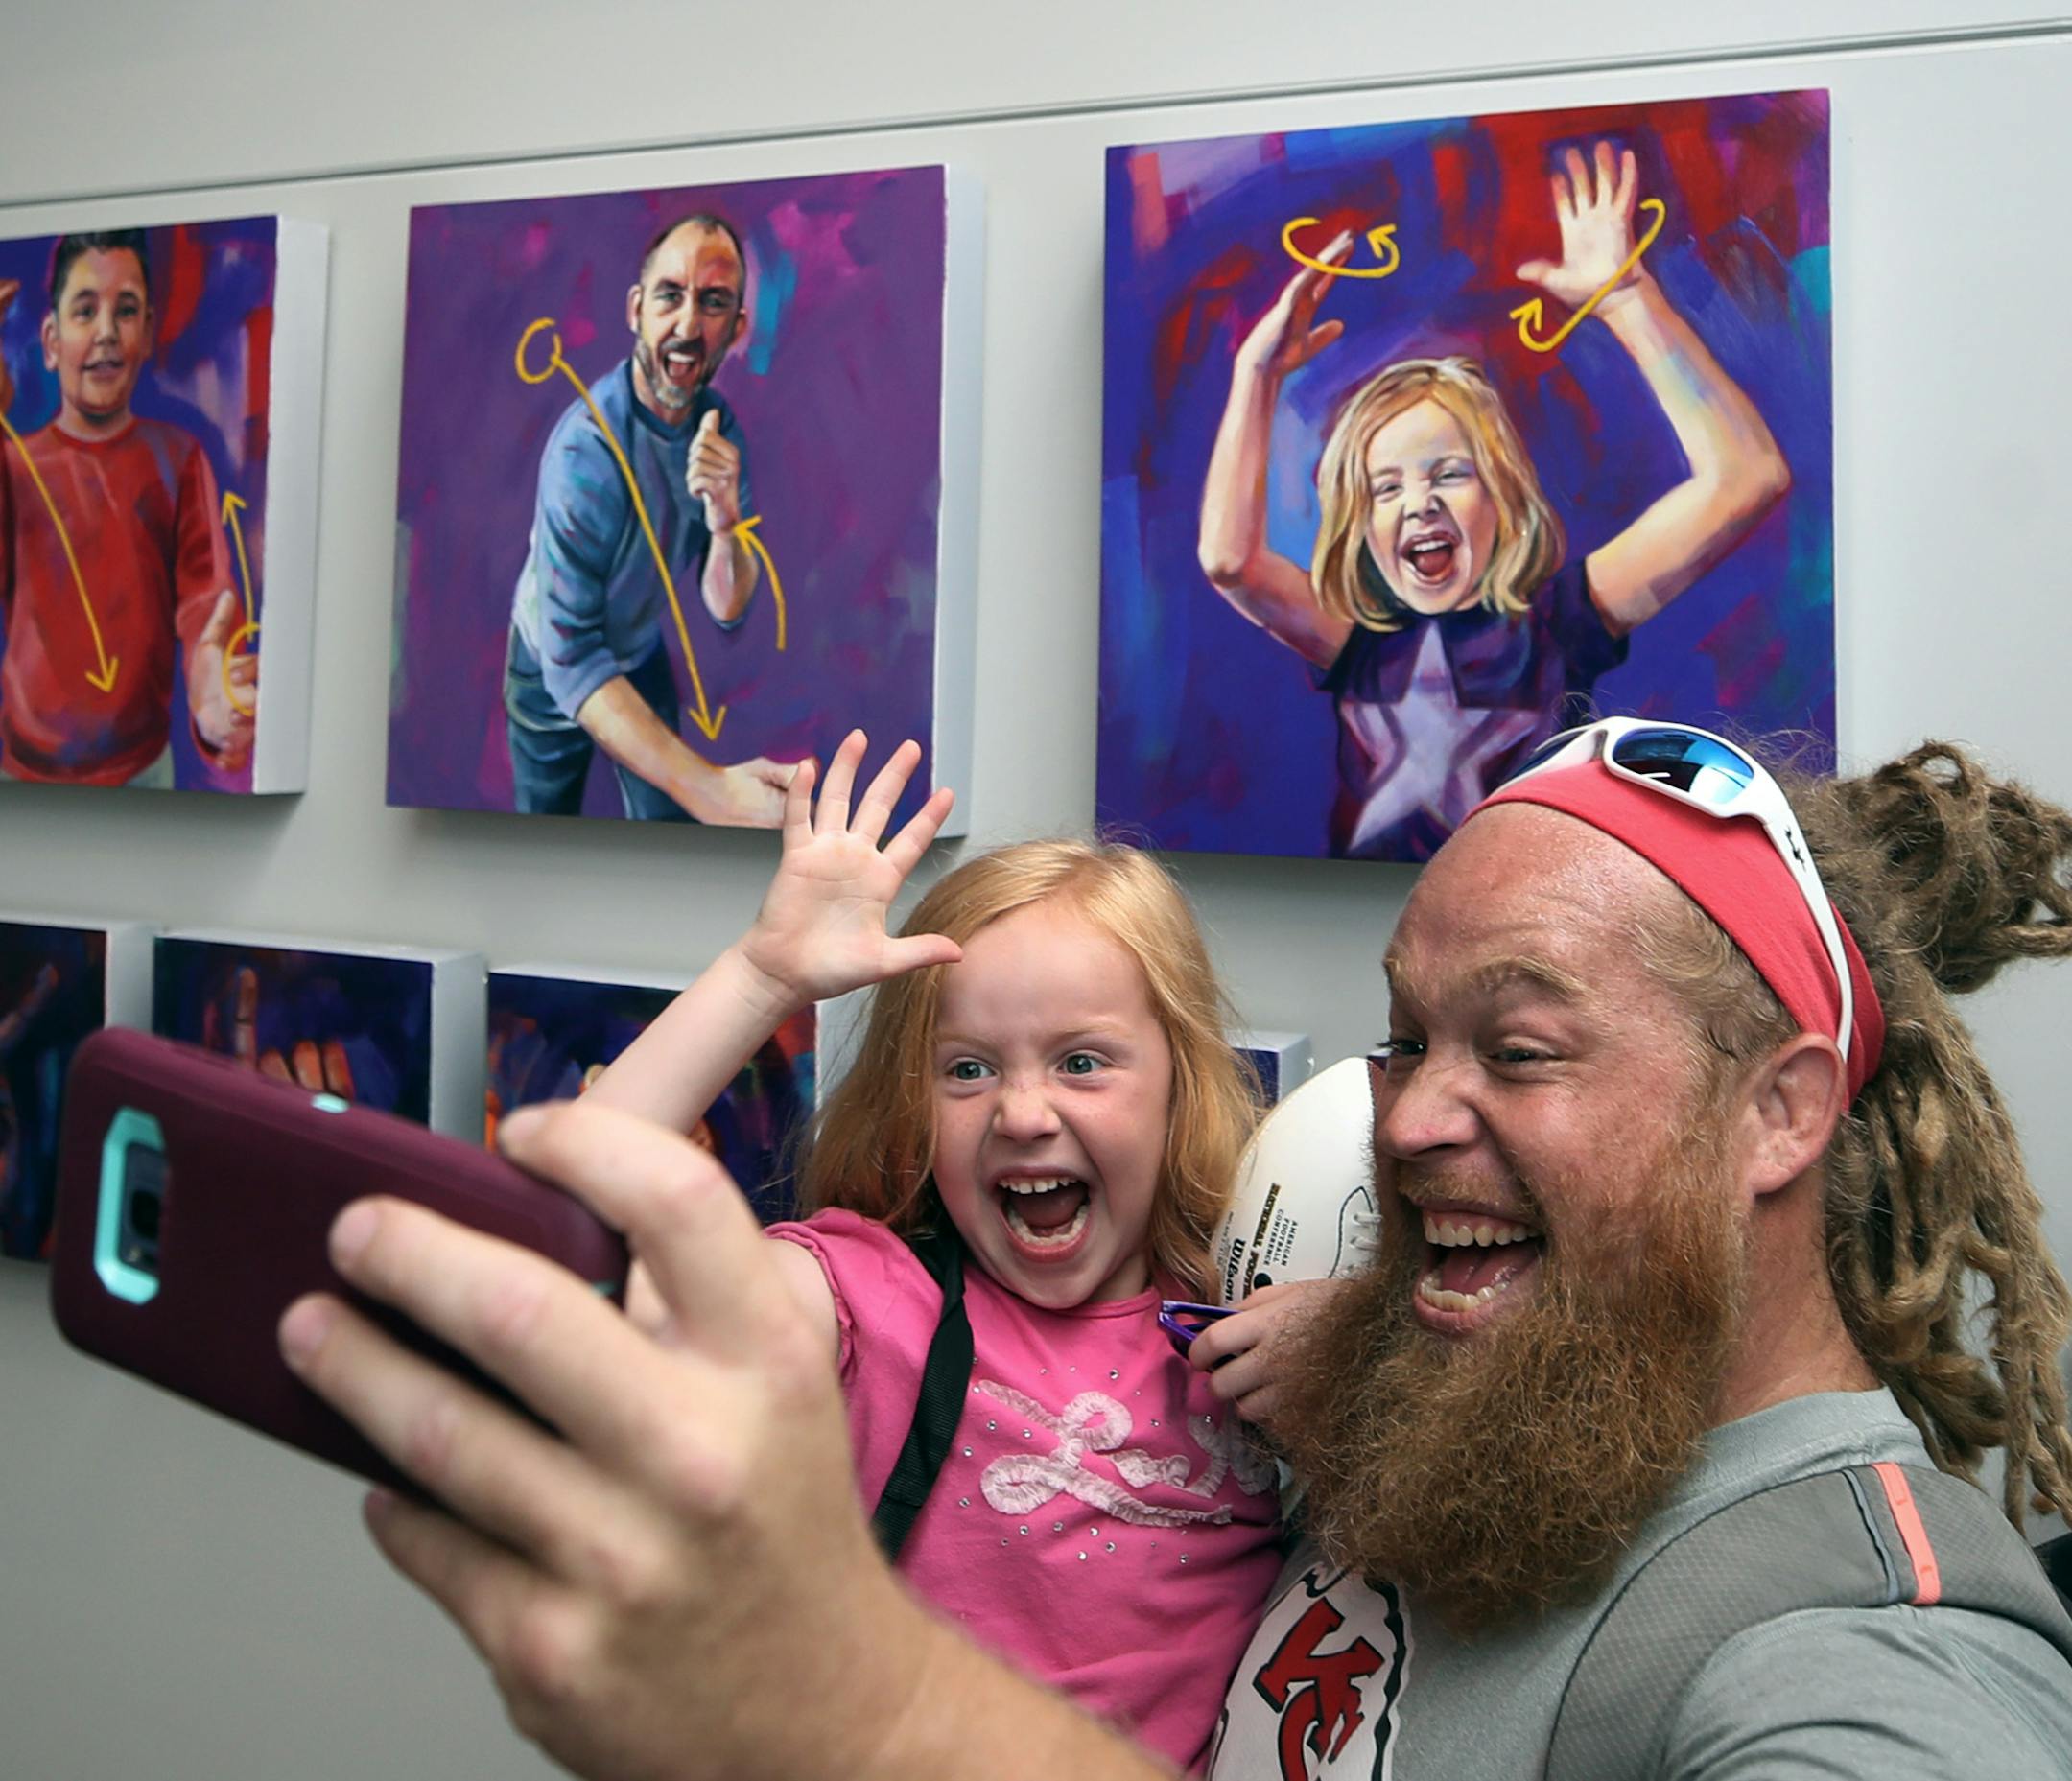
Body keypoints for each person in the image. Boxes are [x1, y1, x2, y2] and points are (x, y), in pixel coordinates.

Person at [279, 728, 2072, 1780]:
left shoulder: (1864, 1642)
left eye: (1518, 1049)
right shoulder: (1463, 1380)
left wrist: (862, 1700)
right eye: (1405, 1041)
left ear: (1782, 1111)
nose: (1417, 1120)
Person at [574, 730, 1279, 1768]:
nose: (1022, 1112)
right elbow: (586, 1213)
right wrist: (764, 975)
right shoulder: (873, 1303)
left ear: (1181, 1082)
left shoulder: (1255, 1310)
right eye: (968, 1071)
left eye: (1082, 1062)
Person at [1198, 143, 1792, 859]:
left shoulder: (1561, 622)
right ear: (1360, 523)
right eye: (1386, 487)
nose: (1419, 503)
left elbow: (1746, 478)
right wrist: (1253, 373)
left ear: (1503, 498)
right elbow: (1229, 561)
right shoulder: (1358, 642)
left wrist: (1631, 301)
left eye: (1449, 473)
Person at [503, 211, 790, 825]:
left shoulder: (719, 429)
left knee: (665, 827)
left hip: (634, 649)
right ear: (636, 309)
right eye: (670, 296)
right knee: (540, 832)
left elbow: (727, 606)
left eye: (712, 303)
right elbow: (572, 658)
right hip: (547, 665)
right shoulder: (587, 451)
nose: (688, 325)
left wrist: (724, 526)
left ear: (736, 328)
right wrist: (714, 790)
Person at [0, 234, 255, 786]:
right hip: (20, 780)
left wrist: (211, 684)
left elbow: (204, 601)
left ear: (146, 336)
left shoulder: (179, 459)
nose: (107, 332)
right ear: (50, 340)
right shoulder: (13, 468)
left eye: (127, 311)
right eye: (85, 310)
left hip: (143, 775)